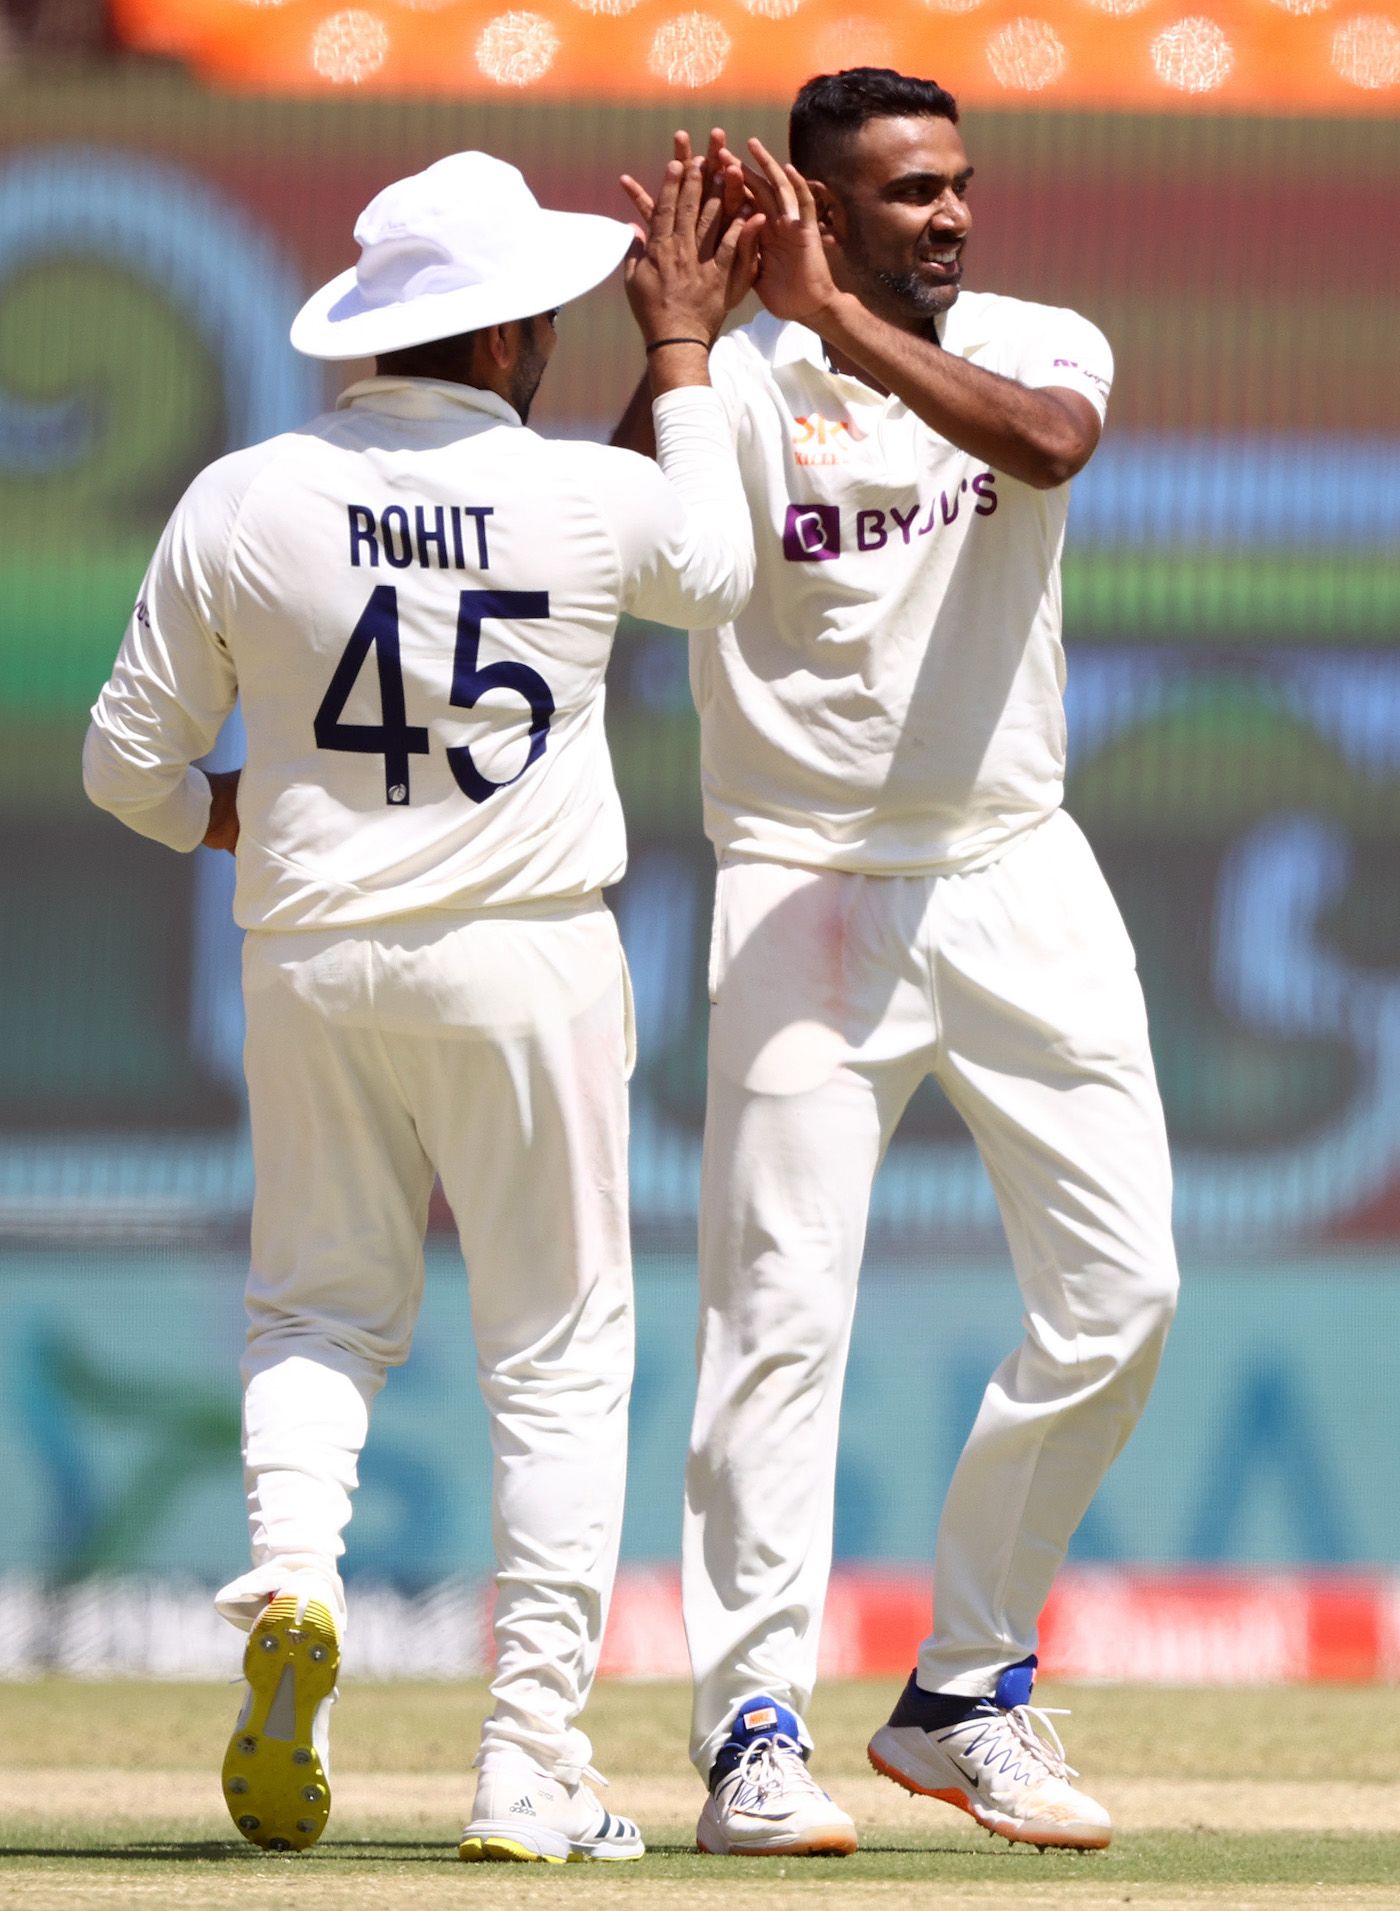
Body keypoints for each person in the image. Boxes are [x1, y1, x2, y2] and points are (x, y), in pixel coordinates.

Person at [83, 149, 757, 1865]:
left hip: (310, 951)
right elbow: (720, 569)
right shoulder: (581, 502)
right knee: (557, 1360)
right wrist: (680, 348)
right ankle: (527, 1767)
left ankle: (296, 1582)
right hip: (526, 952)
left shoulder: (246, 492)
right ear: (521, 334)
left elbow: (122, 766)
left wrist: (224, 813)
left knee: (314, 1318)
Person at [616, 69, 1179, 1857]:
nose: (946, 213)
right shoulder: (744, 378)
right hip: (801, 887)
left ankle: (961, 1692)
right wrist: (686, 343)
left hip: (1018, 862)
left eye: (954, 183)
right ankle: (753, 1735)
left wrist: (839, 322)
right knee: (776, 1325)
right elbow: (643, 544)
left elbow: (1050, 446)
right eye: (903, 192)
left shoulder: (1030, 336)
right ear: (819, 199)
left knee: (1124, 1296)